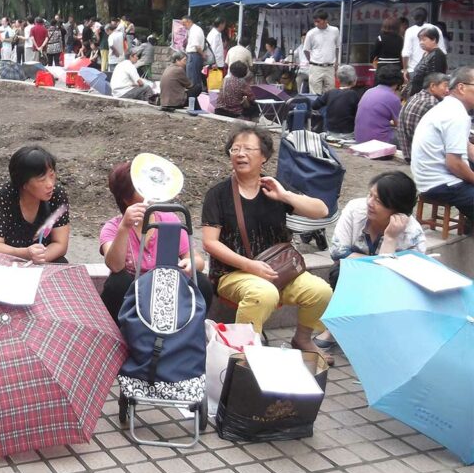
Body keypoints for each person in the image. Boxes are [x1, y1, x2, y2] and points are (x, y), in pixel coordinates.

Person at [201, 123, 333, 362]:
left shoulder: (274, 187)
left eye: (248, 149)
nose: (240, 154)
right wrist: (250, 266)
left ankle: (302, 338)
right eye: (235, 149)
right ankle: (243, 353)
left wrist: (284, 196)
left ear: (264, 156)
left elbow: (321, 211)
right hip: (234, 272)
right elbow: (210, 243)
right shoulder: (218, 195)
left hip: (280, 269)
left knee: (321, 291)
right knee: (263, 293)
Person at [314, 172, 427, 349]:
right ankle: (335, 329)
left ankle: (376, 333)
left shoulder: (412, 233)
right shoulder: (355, 210)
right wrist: (379, 262)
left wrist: (390, 238)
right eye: (370, 194)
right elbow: (337, 252)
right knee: (341, 271)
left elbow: (402, 277)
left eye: (379, 201)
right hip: (355, 273)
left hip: (392, 286)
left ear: (397, 209)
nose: (370, 203)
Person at [99, 160, 212, 321]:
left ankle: (189, 334)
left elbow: (196, 260)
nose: (150, 193)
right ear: (125, 197)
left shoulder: (169, 220)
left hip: (166, 286)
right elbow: (115, 266)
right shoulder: (112, 227)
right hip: (134, 290)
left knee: (201, 282)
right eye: (141, 188)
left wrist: (191, 264)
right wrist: (124, 228)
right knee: (117, 283)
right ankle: (122, 334)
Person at [0, 146, 70, 264]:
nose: (50, 184)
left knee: (61, 263)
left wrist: (39, 257)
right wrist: (25, 253)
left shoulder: (57, 194)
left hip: (41, 257)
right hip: (5, 258)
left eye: (52, 176)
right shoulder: (1, 196)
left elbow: (60, 244)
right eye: (42, 180)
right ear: (23, 183)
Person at [410, 67, 474, 224]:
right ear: (461, 87)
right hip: (440, 183)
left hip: (428, 178)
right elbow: (454, 164)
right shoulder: (457, 115)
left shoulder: (448, 107)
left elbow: (468, 148)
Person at [398, 72, 449, 162]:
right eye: (445, 86)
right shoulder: (433, 103)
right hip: (421, 157)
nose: (447, 91)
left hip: (408, 152)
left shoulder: (415, 97)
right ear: (433, 86)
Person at [354, 65, 403, 146]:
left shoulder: (369, 91)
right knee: (407, 136)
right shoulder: (393, 98)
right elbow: (400, 124)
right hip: (378, 142)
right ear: (398, 82)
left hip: (359, 139)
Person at [311, 65, 362, 139]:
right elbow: (358, 115)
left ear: (338, 79)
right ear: (354, 80)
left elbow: (314, 105)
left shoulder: (330, 93)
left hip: (331, 133)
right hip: (348, 134)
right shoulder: (353, 95)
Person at [402, 7, 448, 83]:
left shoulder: (410, 31)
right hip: (433, 71)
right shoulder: (435, 29)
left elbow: (406, 53)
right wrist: (444, 68)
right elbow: (443, 51)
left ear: (413, 18)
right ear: (426, 17)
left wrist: (405, 69)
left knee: (415, 93)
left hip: (414, 69)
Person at [302, 10, 340, 94]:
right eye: (315, 22)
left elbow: (337, 47)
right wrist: (311, 61)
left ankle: (328, 107)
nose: (316, 24)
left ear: (326, 20)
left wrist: (337, 61)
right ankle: (315, 107)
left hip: (330, 67)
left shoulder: (335, 31)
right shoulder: (311, 33)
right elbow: (306, 50)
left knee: (330, 92)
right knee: (315, 92)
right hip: (315, 67)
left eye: (318, 21)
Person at [407, 26, 448, 98]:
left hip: (426, 98)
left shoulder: (437, 55)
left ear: (434, 40)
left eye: (424, 40)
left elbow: (435, 80)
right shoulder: (427, 53)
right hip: (417, 95)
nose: (421, 42)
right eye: (420, 40)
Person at [181, 16, 206, 96]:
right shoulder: (193, 30)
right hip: (193, 55)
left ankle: (193, 99)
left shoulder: (195, 30)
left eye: (184, 24)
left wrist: (203, 54)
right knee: (194, 78)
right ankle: (194, 99)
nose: (184, 26)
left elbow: (196, 46)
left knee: (192, 79)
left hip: (194, 55)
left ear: (189, 21)